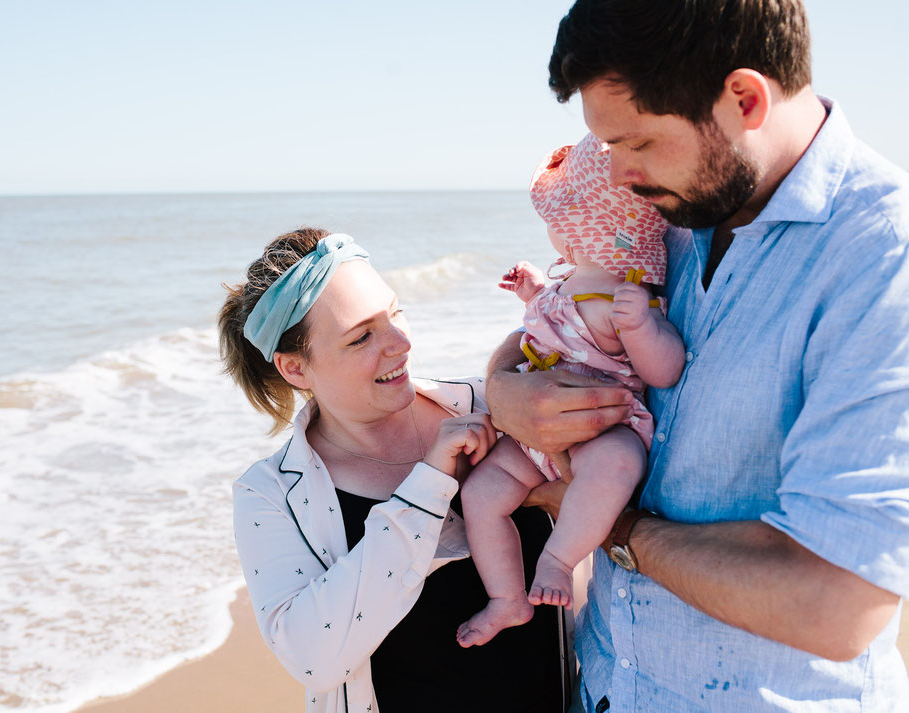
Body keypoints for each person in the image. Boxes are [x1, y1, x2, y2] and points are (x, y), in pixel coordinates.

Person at [485, 1, 909, 711]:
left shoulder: (880, 256)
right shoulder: (669, 209)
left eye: (639, 143)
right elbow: (566, 304)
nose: (618, 175)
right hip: (604, 687)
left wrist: (615, 527)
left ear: (744, 99)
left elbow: (838, 603)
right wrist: (504, 387)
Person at [219, 227, 570, 713]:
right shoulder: (272, 493)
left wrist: (510, 364)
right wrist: (428, 484)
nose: (400, 342)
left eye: (395, 312)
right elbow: (312, 658)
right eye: (362, 336)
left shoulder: (488, 404)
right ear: (295, 369)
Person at [455, 133, 684, 648]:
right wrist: (532, 291)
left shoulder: (624, 302)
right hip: (536, 433)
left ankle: (558, 559)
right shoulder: (565, 288)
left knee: (618, 464)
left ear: (576, 237)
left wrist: (644, 331)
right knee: (482, 493)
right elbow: (546, 325)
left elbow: (665, 370)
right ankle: (506, 598)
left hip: (605, 428)